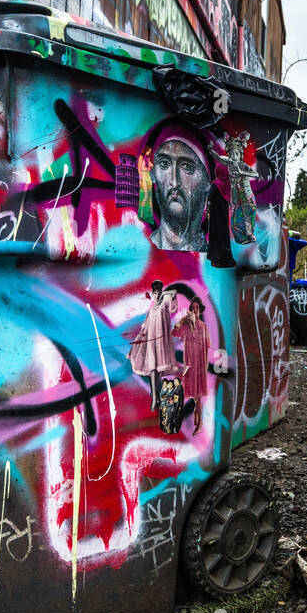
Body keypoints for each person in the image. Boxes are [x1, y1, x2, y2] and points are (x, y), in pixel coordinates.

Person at [150, 124, 211, 252]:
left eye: (187, 167)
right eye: (164, 164)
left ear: (206, 181)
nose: (174, 182)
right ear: (153, 174)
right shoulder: (146, 248)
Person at [128, 280, 179, 410]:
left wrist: (165, 293)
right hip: (151, 342)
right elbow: (145, 327)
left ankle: (155, 393)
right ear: (152, 293)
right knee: (152, 369)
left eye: (158, 292)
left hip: (161, 343)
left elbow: (173, 295)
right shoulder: (151, 309)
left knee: (158, 370)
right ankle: (155, 397)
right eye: (154, 292)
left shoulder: (164, 304)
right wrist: (138, 342)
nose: (156, 294)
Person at [173, 296, 210, 432]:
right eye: (192, 308)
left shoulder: (203, 327)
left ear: (200, 310)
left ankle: (199, 422)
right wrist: (183, 320)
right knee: (185, 391)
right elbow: (175, 332)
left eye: (197, 308)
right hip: (189, 364)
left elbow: (206, 346)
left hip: (199, 364)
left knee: (198, 396)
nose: (195, 310)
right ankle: (181, 418)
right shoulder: (186, 326)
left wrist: (205, 366)